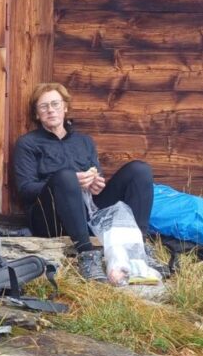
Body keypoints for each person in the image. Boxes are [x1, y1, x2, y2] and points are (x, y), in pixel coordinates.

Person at [12, 82, 162, 281]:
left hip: (89, 213)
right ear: (37, 115)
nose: (51, 110)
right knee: (65, 176)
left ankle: (139, 249)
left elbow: (96, 181)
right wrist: (69, 182)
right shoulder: (27, 144)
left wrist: (96, 185)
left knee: (139, 170)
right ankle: (86, 255)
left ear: (65, 107)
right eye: (44, 106)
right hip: (51, 219)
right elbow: (25, 189)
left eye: (55, 104)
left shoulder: (84, 142)